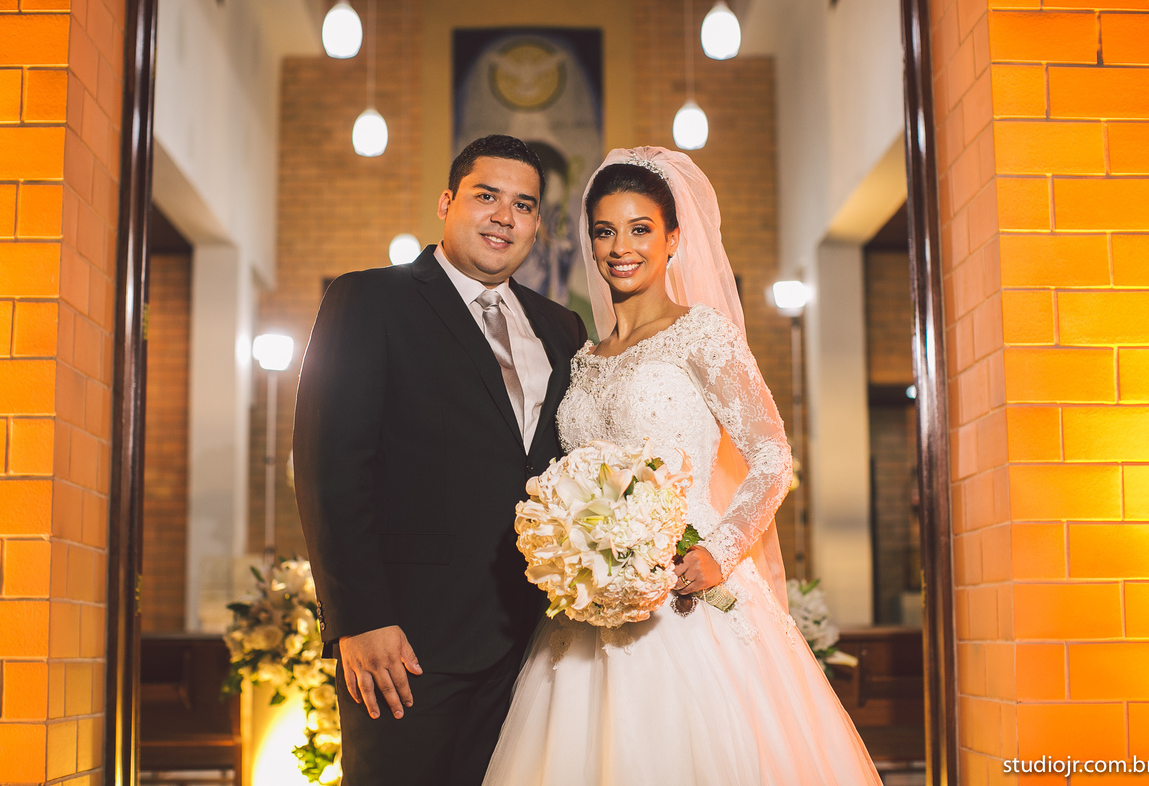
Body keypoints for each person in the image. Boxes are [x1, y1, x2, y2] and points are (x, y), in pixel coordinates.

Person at [483, 147, 884, 785]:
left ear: (673, 239)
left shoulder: (703, 335)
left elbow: (771, 454)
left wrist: (720, 551)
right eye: (605, 231)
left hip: (686, 585)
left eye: (640, 229)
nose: (621, 247)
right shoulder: (583, 359)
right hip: (587, 605)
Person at [293, 135, 589, 786]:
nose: (504, 217)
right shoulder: (368, 300)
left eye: (524, 205)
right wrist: (361, 619)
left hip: (534, 641)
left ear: (538, 222)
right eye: (487, 196)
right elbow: (329, 469)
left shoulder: (560, 327)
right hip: (407, 641)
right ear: (446, 202)